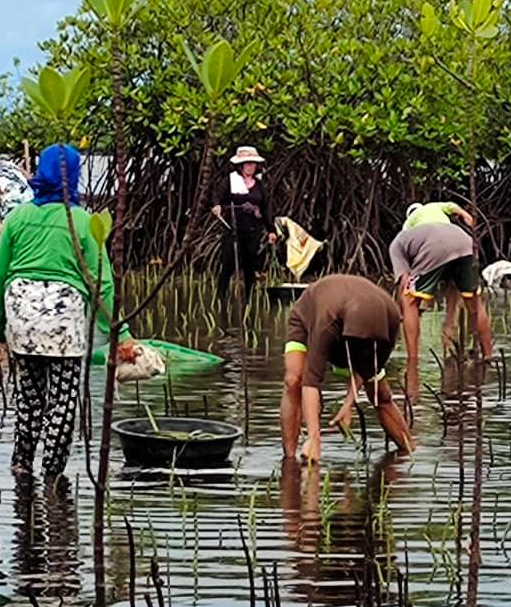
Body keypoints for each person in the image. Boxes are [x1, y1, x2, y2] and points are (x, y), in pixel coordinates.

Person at [0, 143, 126, 479]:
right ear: (74, 176)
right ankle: (53, 473)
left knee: (28, 397)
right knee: (62, 401)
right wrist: (120, 332)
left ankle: (21, 465)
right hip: (64, 323)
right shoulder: (84, 221)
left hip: (22, 318)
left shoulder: (17, 217)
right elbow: (102, 285)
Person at [282, 274, 413, 461]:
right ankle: (290, 459)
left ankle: (408, 452)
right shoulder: (326, 321)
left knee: (381, 395)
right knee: (294, 380)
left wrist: (348, 405)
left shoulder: (392, 320)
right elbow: (311, 381)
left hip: (363, 329)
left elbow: (367, 368)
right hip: (309, 316)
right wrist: (314, 436)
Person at [389, 219, 494, 403]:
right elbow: (451, 289)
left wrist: (400, 313)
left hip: (437, 247)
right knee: (474, 303)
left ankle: (412, 361)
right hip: (466, 242)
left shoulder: (397, 245)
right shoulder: (423, 232)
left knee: (409, 300)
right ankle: (488, 356)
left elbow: (404, 282)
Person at [211, 146, 280, 302]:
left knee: (250, 265)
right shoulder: (230, 180)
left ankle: (249, 299)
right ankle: (221, 299)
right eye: (247, 163)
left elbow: (266, 208)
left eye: (253, 163)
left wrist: (271, 230)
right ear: (240, 165)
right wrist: (217, 206)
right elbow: (218, 196)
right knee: (228, 264)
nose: (250, 166)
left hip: (253, 231)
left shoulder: (260, 185)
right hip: (232, 229)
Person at [404, 200, 474, 231]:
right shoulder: (433, 205)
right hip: (449, 231)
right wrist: (465, 215)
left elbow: (404, 238)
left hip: (426, 239)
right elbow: (451, 206)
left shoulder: (408, 222)